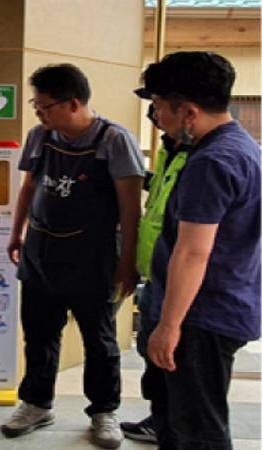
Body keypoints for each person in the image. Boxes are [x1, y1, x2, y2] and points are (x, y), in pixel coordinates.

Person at [1, 63, 144, 449]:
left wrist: (127, 263)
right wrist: (16, 234)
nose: (38, 113)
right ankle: (36, 404)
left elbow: (130, 208)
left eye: (44, 106)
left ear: (74, 103)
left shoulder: (115, 140)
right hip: (41, 252)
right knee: (39, 334)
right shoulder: (39, 135)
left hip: (94, 257)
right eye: (36, 105)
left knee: (100, 341)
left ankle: (104, 411)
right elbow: (29, 187)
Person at [139, 51, 261, 450]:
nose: (157, 117)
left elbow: (194, 252)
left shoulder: (212, 161)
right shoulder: (241, 146)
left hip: (200, 317)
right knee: (175, 419)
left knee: (197, 430)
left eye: (159, 107)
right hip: (213, 306)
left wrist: (168, 326)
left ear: (189, 112)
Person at [119, 104, 190, 445]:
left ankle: (175, 426)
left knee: (179, 369)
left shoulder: (203, 156)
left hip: (182, 278)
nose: (157, 118)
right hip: (156, 272)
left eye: (160, 110)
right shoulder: (168, 147)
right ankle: (160, 421)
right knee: (153, 358)